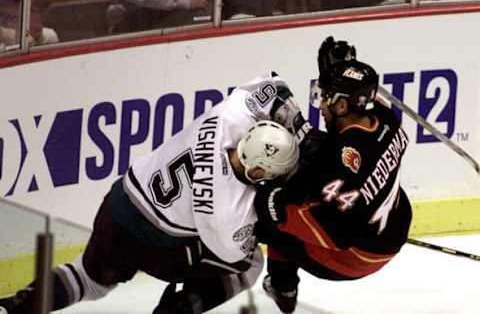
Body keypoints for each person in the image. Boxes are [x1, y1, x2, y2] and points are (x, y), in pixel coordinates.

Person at [0, 72, 300, 314]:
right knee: (250, 267)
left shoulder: (229, 117)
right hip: (158, 247)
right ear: (258, 171)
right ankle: (180, 309)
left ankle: (14, 307)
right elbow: (235, 251)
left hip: (119, 205)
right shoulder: (230, 211)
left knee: (88, 279)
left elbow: (272, 84)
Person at [253, 37, 413, 313]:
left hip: (356, 255)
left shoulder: (339, 167)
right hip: (390, 226)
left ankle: (284, 287)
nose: (321, 105)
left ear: (342, 106)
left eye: (325, 97)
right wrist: (344, 70)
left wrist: (272, 204)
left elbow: (335, 233)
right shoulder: (388, 120)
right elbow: (338, 153)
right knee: (306, 172)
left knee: (272, 221)